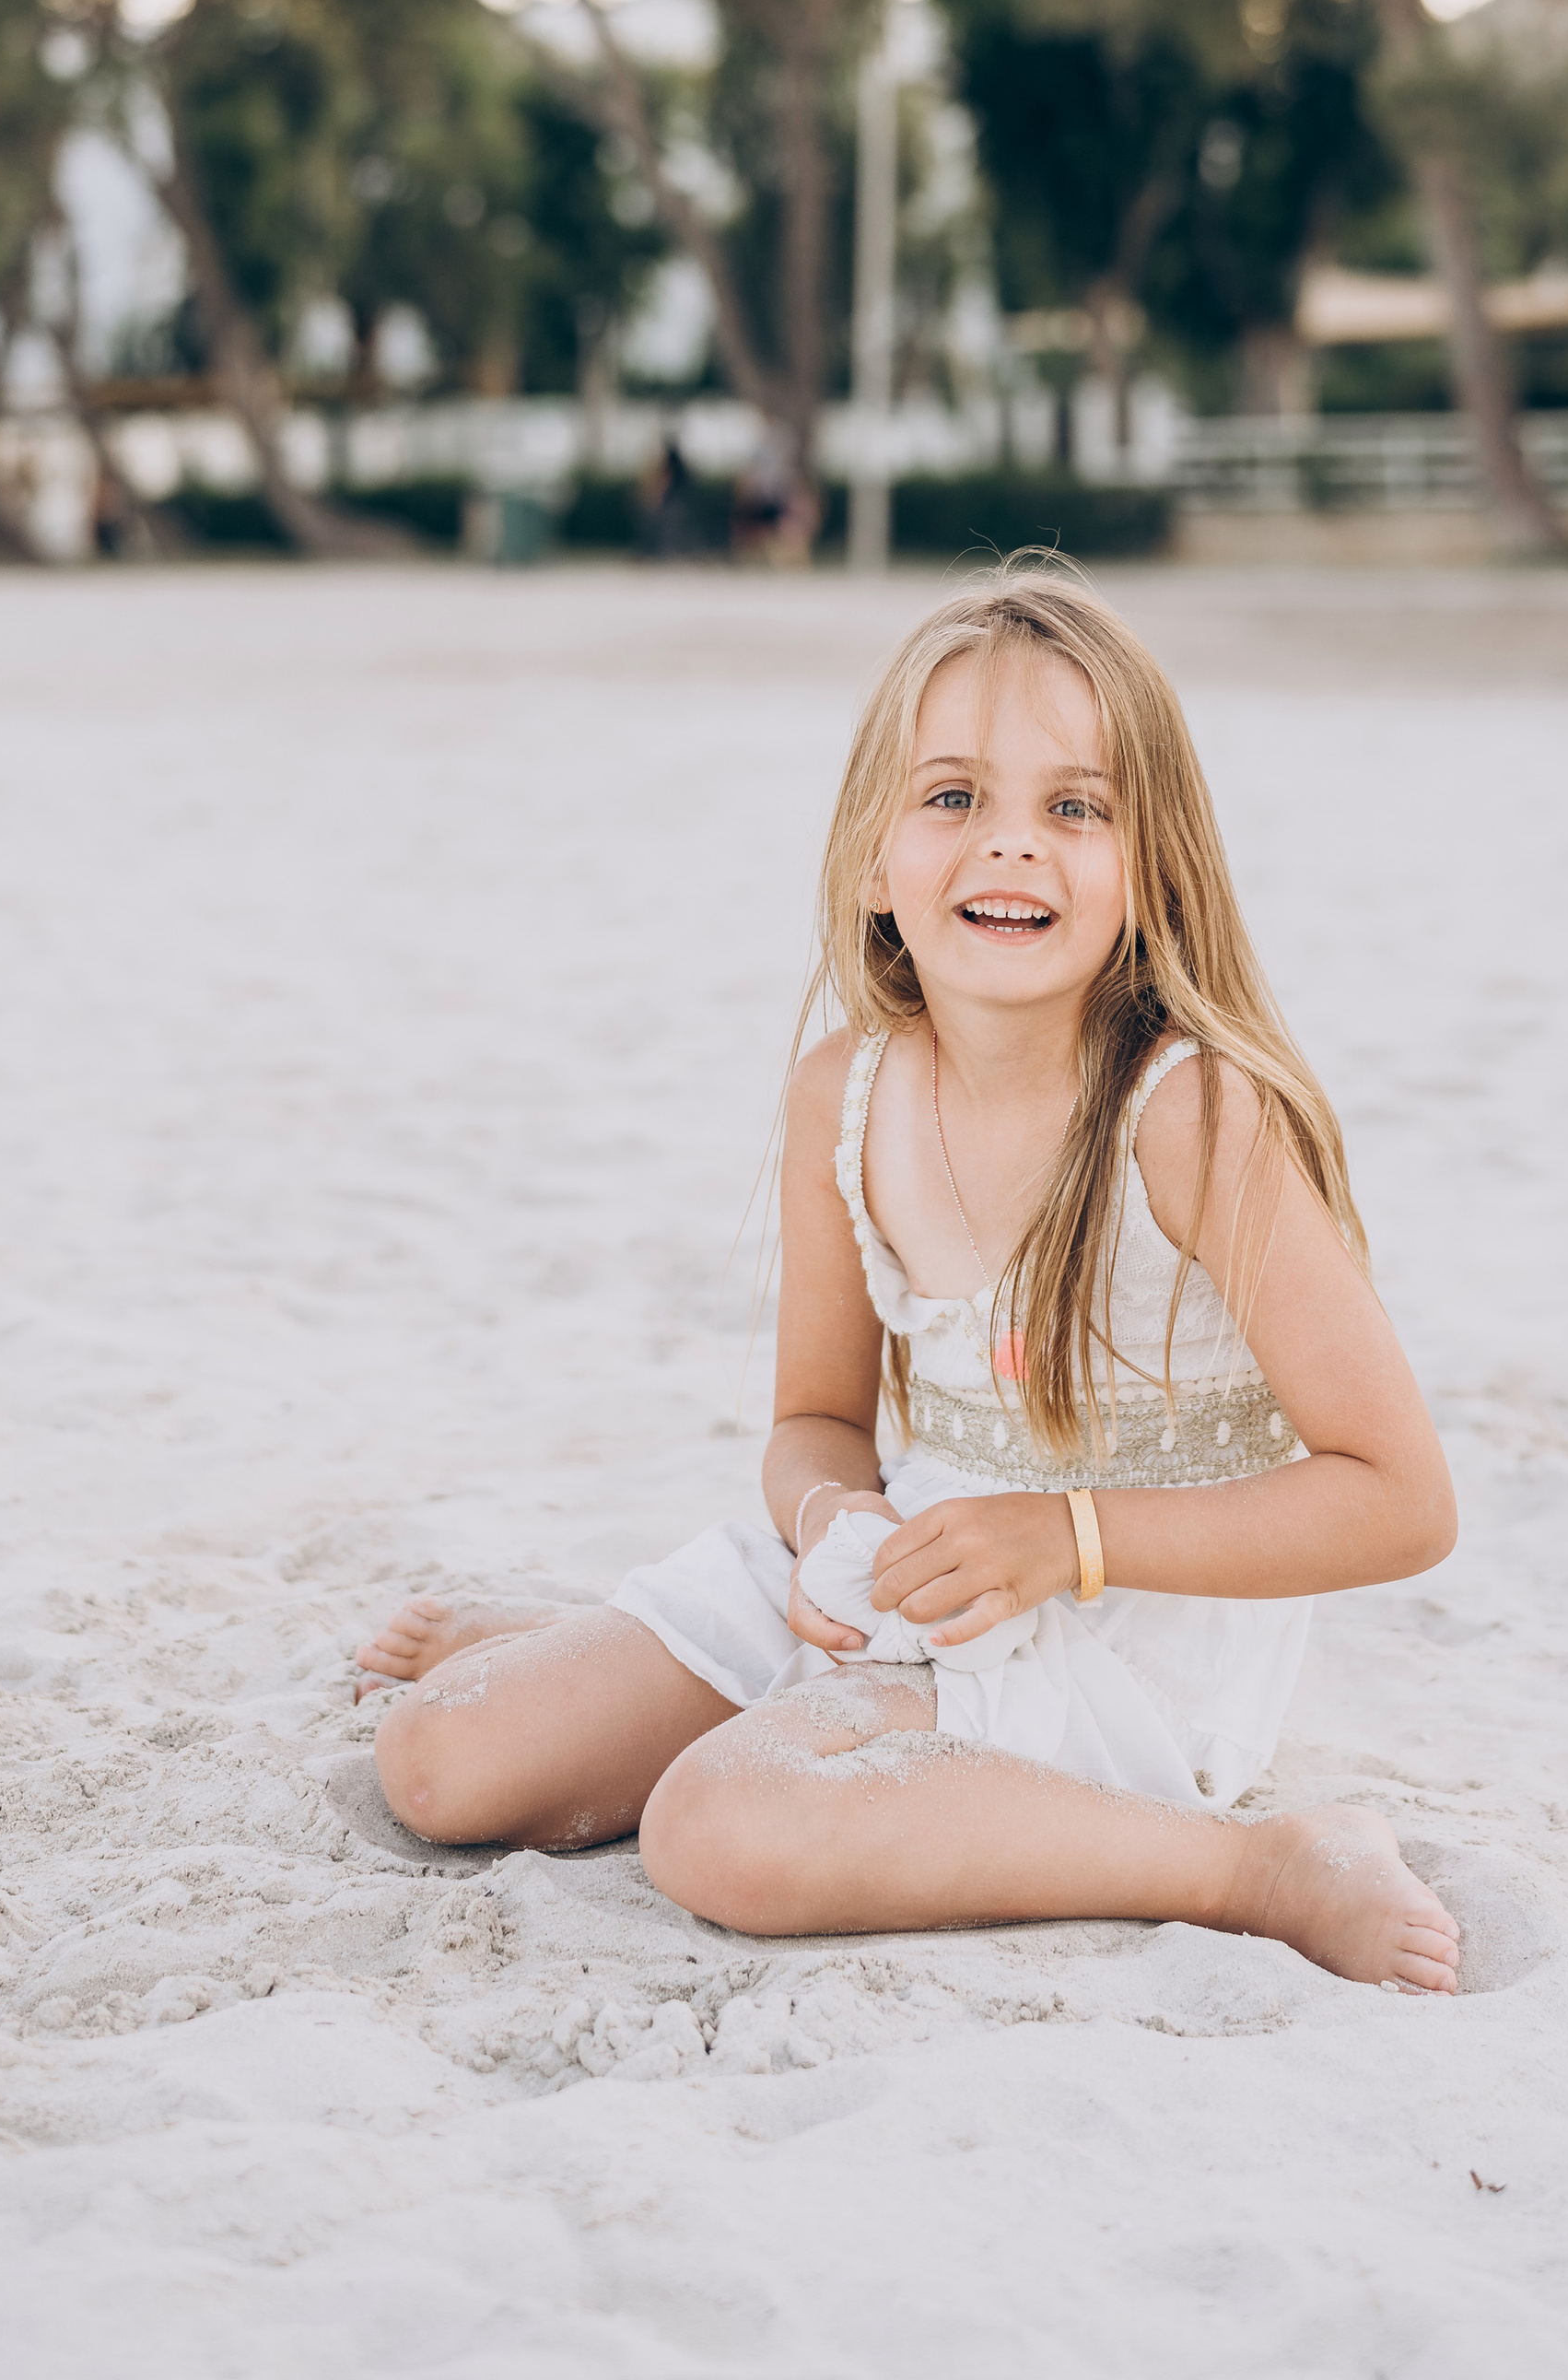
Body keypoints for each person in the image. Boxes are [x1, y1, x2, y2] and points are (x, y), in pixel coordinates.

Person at [356, 569, 1461, 1992]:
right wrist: (832, 1523)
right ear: (875, 860)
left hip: (1122, 1615)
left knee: (725, 1826)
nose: (1012, 846)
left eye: (1076, 808)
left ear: (1156, 870)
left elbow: (1404, 1498)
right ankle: (626, 1648)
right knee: (439, 1760)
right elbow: (814, 1425)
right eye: (953, 799)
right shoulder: (848, 1095)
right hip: (925, 1560)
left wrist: (1065, 1541)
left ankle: (1258, 1868)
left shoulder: (1188, 1119)